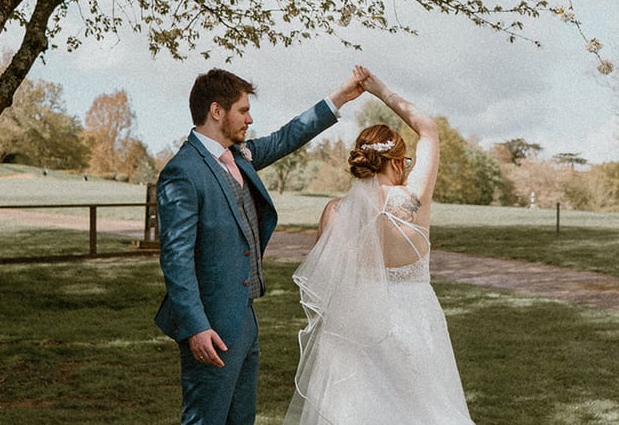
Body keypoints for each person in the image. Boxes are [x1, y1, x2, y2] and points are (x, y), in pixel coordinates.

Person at [154, 67, 366, 425]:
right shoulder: (183, 171)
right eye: (243, 110)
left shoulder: (239, 155)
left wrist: (341, 96)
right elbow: (176, 259)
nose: (250, 119)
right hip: (210, 326)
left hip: (245, 319)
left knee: (241, 419)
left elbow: (288, 136)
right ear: (216, 111)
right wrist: (195, 327)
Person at [284, 66, 474, 424]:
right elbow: (428, 128)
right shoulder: (414, 198)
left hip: (355, 327)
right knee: (424, 410)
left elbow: (329, 280)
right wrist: (378, 89)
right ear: (397, 162)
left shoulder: (335, 211)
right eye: (405, 161)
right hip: (415, 319)